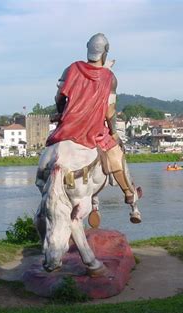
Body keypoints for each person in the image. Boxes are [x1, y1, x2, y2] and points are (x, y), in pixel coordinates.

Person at [46, 33, 141, 223]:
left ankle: (42, 179)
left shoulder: (71, 69)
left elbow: (59, 98)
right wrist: (114, 132)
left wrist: (62, 114)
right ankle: (130, 196)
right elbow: (109, 111)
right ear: (105, 52)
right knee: (116, 155)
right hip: (92, 130)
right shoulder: (109, 77)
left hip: (67, 128)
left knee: (50, 151)